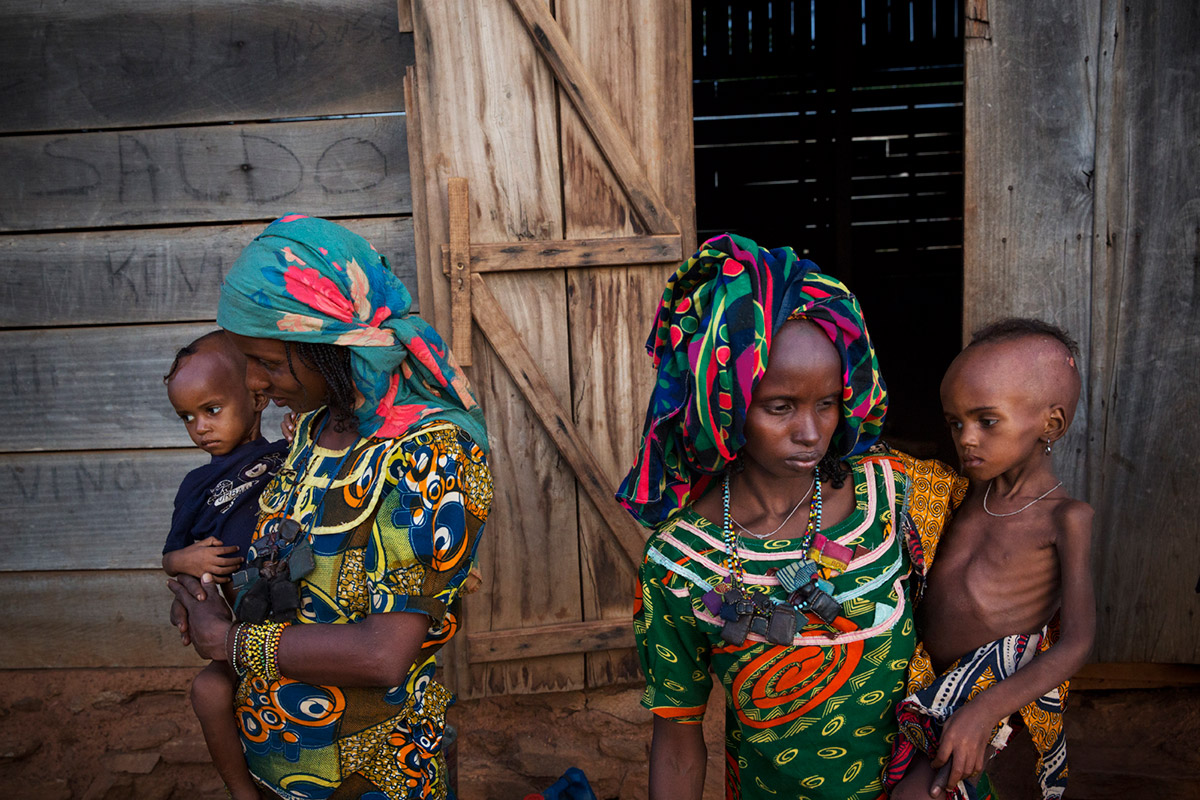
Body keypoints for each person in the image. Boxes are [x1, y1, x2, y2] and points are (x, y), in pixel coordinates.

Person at [168, 214, 493, 800]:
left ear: (326, 347)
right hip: (274, 754)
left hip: (369, 772)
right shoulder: (313, 430)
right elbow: (288, 567)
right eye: (247, 362)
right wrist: (208, 597)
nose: (256, 384)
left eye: (267, 362)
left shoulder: (432, 454)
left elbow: (382, 654)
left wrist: (228, 644)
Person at [617, 233, 943, 799]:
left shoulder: (892, 498)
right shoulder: (679, 562)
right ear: (727, 403)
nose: (812, 432)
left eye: (827, 403)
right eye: (780, 407)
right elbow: (676, 735)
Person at [885, 319, 1095, 800]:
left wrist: (982, 712)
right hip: (917, 678)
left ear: (1052, 423)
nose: (967, 438)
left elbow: (1078, 643)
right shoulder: (958, 497)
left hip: (988, 694)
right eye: (955, 422)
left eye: (986, 420)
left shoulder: (1066, 519)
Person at [162, 330, 288, 799]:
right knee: (208, 692)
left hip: (295, 625)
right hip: (236, 627)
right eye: (187, 418)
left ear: (257, 397)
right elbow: (171, 557)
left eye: (211, 410)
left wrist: (301, 434)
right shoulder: (195, 485)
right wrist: (185, 558)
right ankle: (241, 790)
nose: (200, 427)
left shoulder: (285, 457)